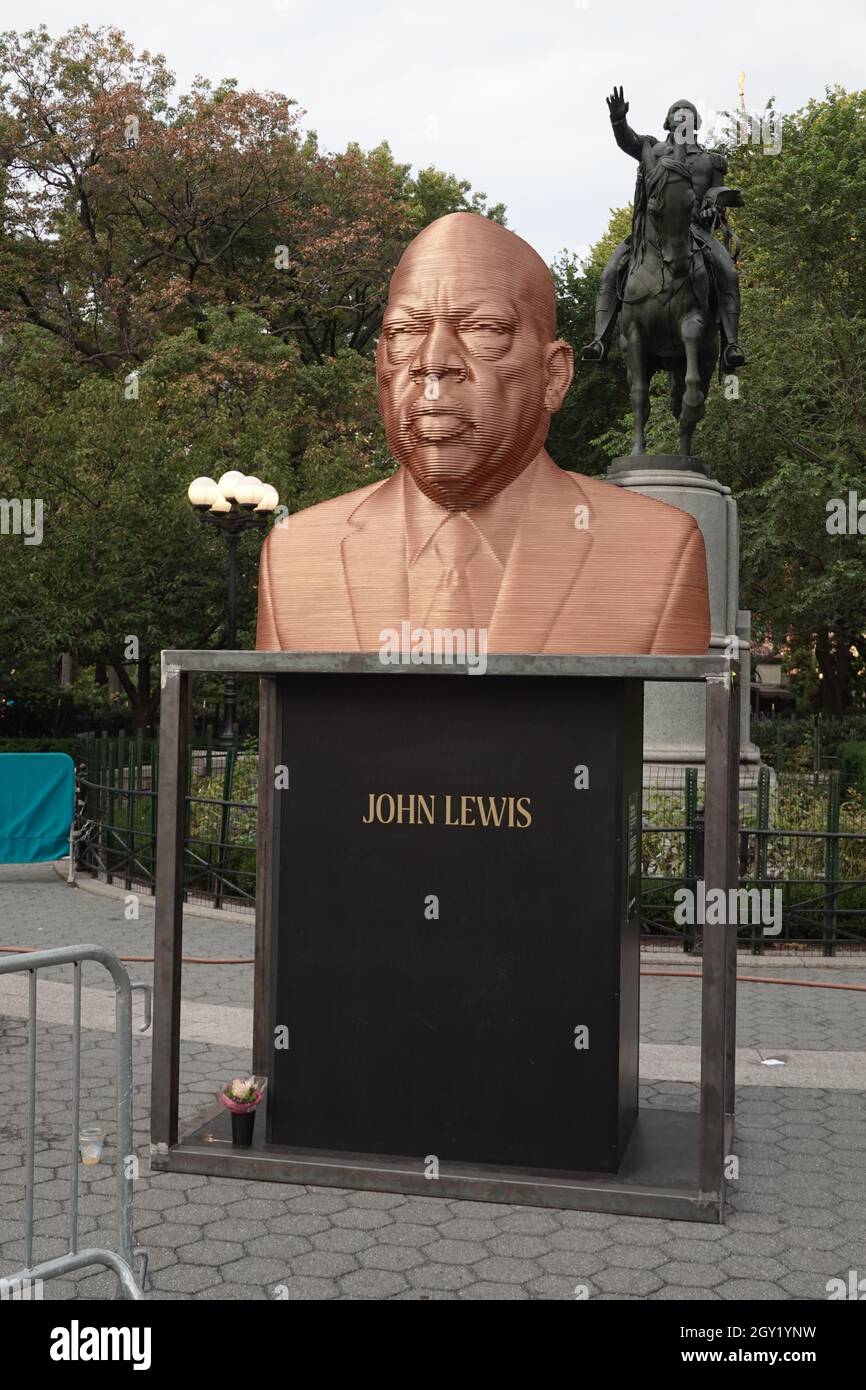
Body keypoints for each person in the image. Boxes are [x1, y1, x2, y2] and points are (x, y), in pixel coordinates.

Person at [256, 212, 710, 656]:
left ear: (554, 376)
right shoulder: (295, 555)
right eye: (402, 331)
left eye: (484, 329)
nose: (433, 361)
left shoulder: (658, 553)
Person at [580, 89, 746, 371]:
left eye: (688, 115)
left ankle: (731, 343)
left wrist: (715, 203)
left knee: (728, 272)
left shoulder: (711, 160)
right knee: (610, 271)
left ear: (696, 124)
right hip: (651, 230)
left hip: (694, 229)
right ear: (667, 123)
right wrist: (618, 120)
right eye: (676, 114)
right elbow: (627, 140)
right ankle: (600, 339)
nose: (682, 118)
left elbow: (716, 188)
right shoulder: (651, 149)